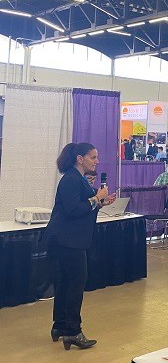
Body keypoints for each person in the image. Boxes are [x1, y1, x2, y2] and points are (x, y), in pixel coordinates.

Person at [43, 142, 116, 349]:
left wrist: (101, 202)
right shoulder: (70, 180)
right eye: (93, 157)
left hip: (70, 239)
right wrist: (96, 198)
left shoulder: (78, 180)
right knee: (76, 281)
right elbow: (73, 210)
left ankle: (60, 326)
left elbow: (83, 206)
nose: (97, 161)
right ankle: (73, 331)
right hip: (68, 241)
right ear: (79, 159)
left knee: (65, 282)